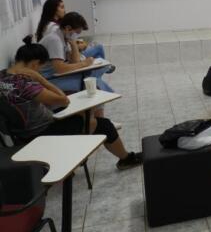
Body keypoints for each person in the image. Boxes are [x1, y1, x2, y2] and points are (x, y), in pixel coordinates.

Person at [0, 38, 142, 169]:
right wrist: (41, 79)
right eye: (40, 68)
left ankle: (84, 143)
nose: (39, 71)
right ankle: (125, 159)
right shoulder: (27, 84)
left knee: (84, 115)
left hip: (20, 132)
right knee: (104, 125)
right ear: (34, 63)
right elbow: (63, 99)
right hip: (40, 132)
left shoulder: (3, 76)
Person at [39, 12, 114, 101]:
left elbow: (75, 61)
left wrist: (74, 44)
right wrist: (84, 64)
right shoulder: (55, 40)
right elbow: (60, 68)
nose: (78, 36)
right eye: (77, 33)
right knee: (90, 82)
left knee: (91, 79)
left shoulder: (63, 37)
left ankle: (103, 101)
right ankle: (103, 101)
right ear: (68, 28)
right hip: (47, 79)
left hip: (54, 75)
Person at [36, 0, 112, 67]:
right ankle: (105, 68)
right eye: (62, 7)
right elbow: (61, 65)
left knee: (96, 61)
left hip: (64, 58)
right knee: (98, 48)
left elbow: (70, 54)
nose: (64, 10)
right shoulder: (53, 31)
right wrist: (79, 51)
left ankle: (103, 68)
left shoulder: (56, 27)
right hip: (57, 64)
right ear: (53, 10)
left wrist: (75, 45)